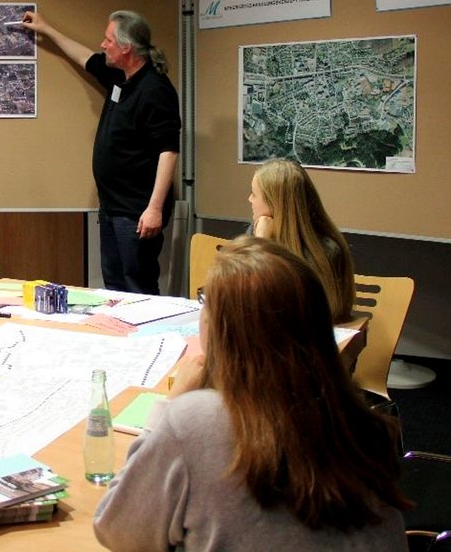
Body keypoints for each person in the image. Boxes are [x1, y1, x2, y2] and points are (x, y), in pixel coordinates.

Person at [94, 236, 408, 551]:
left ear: (223, 329)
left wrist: (169, 407)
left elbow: (118, 532)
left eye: (206, 302)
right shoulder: (363, 425)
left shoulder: (194, 420)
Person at [21, 10, 180, 295]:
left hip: (136, 211)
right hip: (111, 207)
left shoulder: (155, 89)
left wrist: (154, 208)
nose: (103, 45)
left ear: (126, 47)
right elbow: (85, 58)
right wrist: (47, 29)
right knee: (114, 286)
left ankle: (145, 340)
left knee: (138, 285)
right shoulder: (120, 76)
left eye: (108, 40)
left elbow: (168, 151)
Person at [248, 158, 355, 323]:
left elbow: (265, 306)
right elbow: (239, 297)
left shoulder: (324, 252)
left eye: (254, 194)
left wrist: (262, 245)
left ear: (276, 203)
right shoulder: (257, 230)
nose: (250, 200)